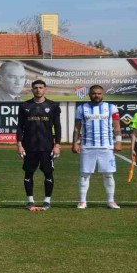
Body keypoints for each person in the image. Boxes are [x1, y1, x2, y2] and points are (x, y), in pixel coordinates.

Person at [72, 85, 122, 209]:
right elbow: (77, 128)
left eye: (99, 93)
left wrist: (118, 142)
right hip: (87, 146)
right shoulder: (81, 108)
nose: (96, 95)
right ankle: (82, 201)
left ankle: (111, 201)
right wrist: (75, 143)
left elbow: (117, 127)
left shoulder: (111, 107)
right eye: (94, 93)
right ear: (89, 94)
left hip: (106, 146)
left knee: (108, 174)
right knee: (84, 174)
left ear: (103, 94)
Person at [16, 80, 62, 210]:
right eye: (35, 88)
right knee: (28, 173)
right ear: (32, 90)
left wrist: (57, 145)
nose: (38, 90)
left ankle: (47, 201)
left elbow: (57, 126)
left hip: (47, 147)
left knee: (48, 173)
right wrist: (19, 144)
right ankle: (30, 201)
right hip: (29, 146)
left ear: (45, 89)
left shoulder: (53, 105)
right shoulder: (24, 105)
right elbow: (19, 127)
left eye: (41, 87)